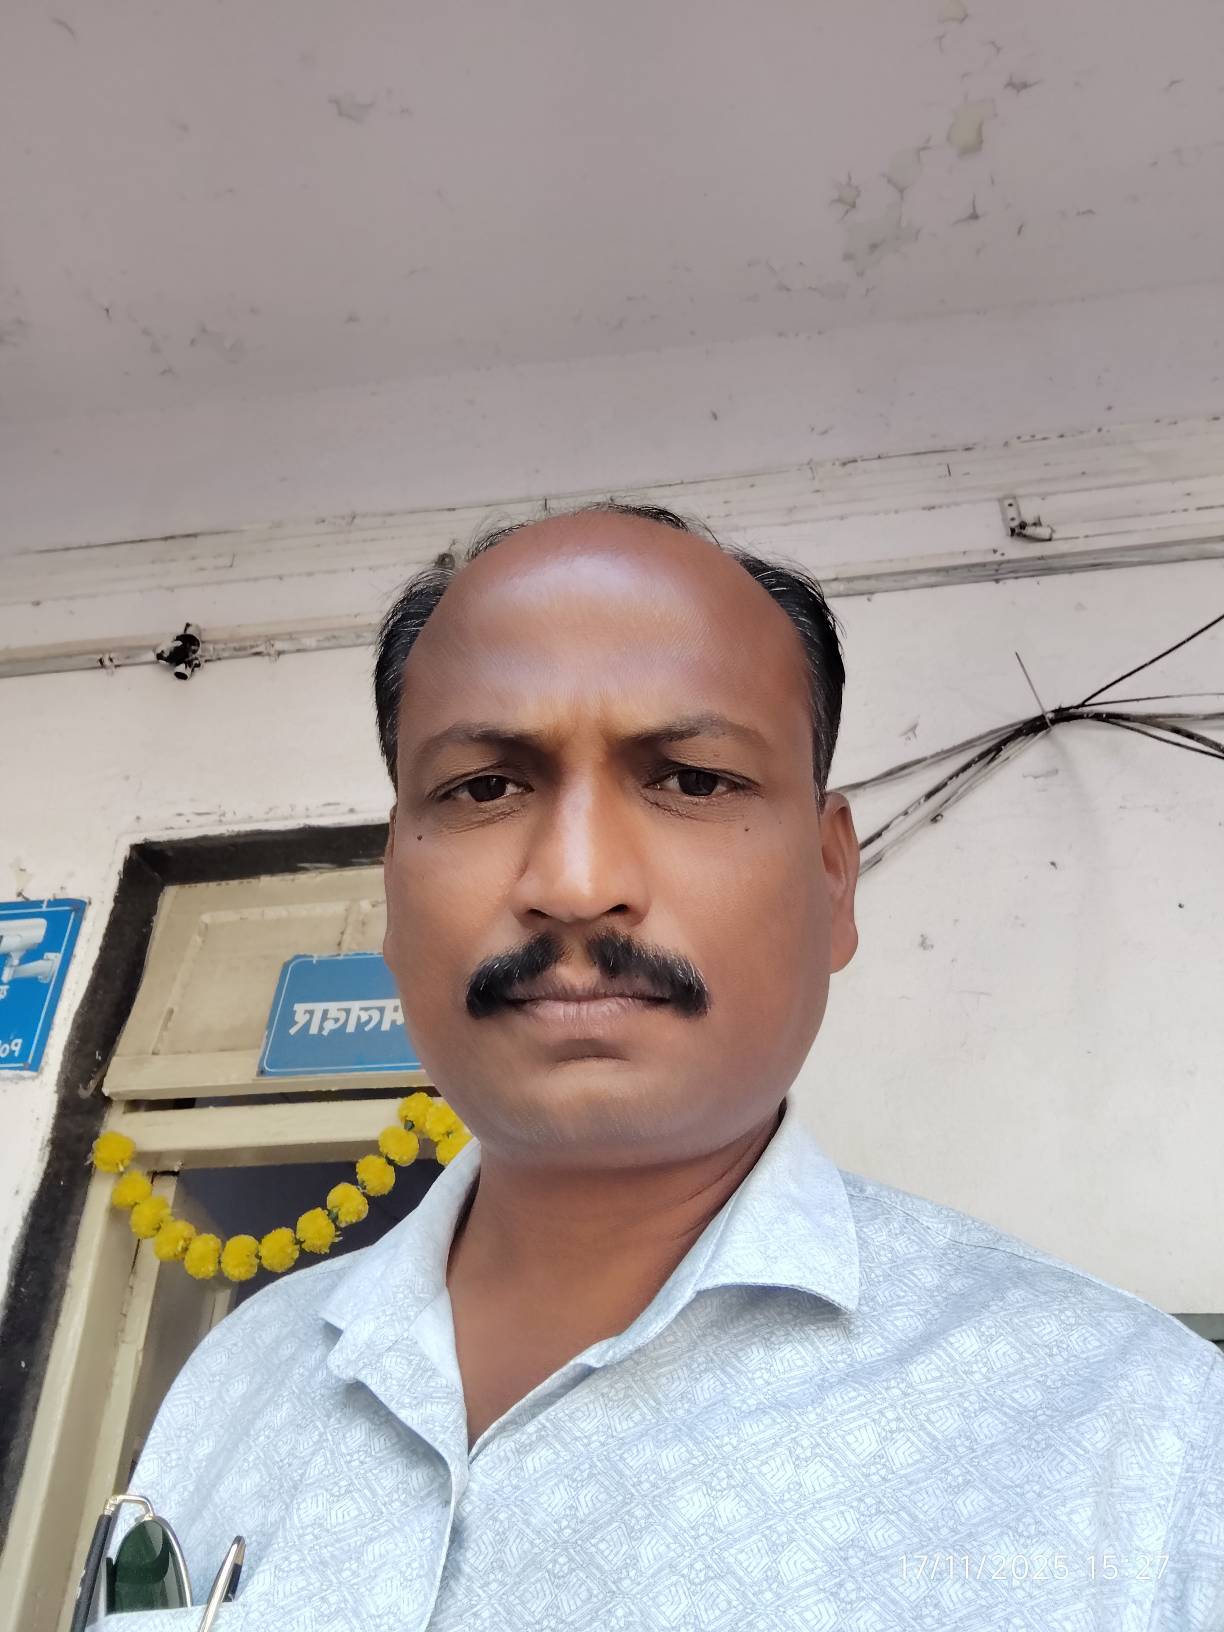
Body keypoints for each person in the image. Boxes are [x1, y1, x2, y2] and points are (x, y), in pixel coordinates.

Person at [104, 502, 1224, 1629]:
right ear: (392, 885)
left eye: (691, 779)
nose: (576, 883)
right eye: (485, 787)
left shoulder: (1145, 1442)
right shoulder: (239, 1379)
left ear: (833, 880)